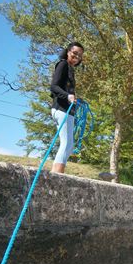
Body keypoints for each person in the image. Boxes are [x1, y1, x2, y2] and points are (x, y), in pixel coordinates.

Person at [50, 42, 84, 174]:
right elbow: (54, 87)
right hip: (61, 109)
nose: (77, 57)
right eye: (75, 53)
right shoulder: (63, 64)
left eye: (80, 55)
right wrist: (68, 96)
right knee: (67, 144)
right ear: (68, 51)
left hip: (66, 110)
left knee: (68, 144)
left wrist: (75, 99)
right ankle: (57, 175)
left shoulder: (70, 68)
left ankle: (56, 173)